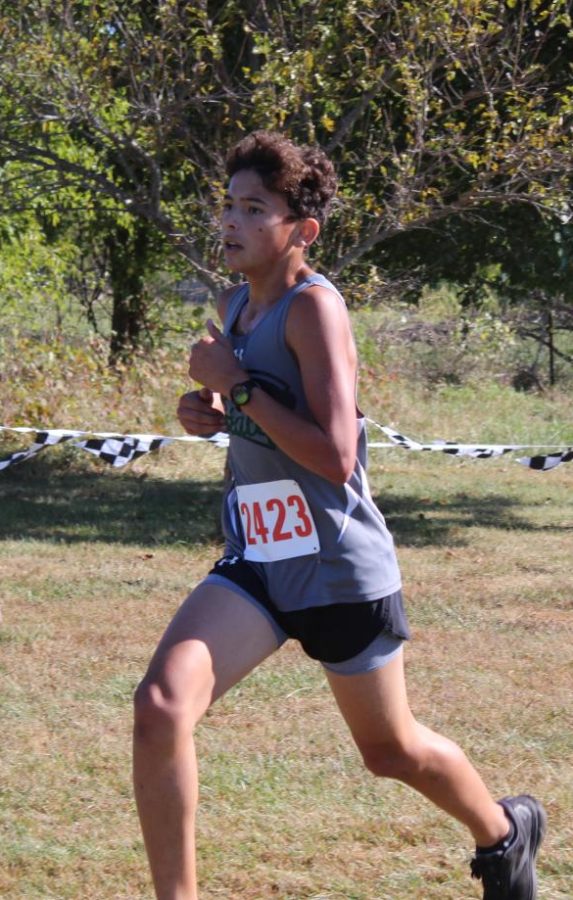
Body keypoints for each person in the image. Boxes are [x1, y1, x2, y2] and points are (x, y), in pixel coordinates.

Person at [133, 130, 546, 900]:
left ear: (302, 231)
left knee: (390, 752)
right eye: (227, 205)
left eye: (254, 208)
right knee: (160, 707)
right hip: (257, 560)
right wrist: (210, 410)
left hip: (335, 567)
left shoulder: (314, 309)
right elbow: (247, 412)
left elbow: (333, 453)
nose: (230, 221)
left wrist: (240, 387)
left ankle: (501, 829)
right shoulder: (232, 304)